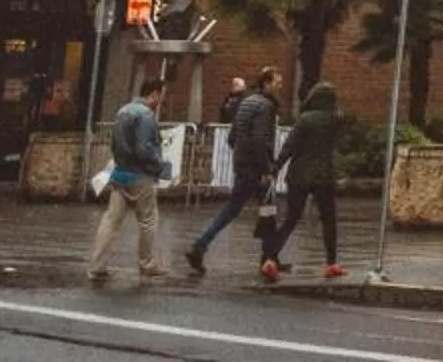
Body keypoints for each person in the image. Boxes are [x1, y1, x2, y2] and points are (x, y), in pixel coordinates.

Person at [185, 66, 280, 275]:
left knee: (252, 208)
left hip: (243, 163)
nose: (278, 86)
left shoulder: (246, 102)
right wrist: (265, 168)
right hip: (256, 167)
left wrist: (240, 155)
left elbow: (231, 136)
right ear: (266, 83)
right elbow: (259, 139)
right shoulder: (265, 107)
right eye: (276, 82)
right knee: (263, 208)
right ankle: (269, 258)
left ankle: (270, 256)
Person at [86, 76, 170, 284]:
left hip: (120, 172)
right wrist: (159, 165)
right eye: (161, 96)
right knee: (148, 220)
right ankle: (147, 264)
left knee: (111, 220)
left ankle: (97, 265)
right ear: (154, 94)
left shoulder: (123, 111)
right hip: (141, 174)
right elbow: (144, 148)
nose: (161, 101)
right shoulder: (146, 115)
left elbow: (115, 143)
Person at [256, 79, 343, 281]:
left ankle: (269, 259)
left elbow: (290, 146)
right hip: (324, 176)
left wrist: (275, 167)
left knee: (290, 219)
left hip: (298, 175)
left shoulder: (304, 119)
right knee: (329, 220)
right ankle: (331, 263)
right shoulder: (335, 119)